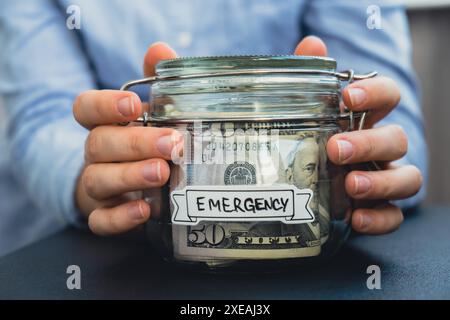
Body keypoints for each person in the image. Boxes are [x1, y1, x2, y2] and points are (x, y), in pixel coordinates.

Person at [0, 0, 425, 256]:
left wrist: (368, 159)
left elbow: (393, 118)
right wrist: (109, 179)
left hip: (327, 244)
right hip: (77, 248)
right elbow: (41, 116)